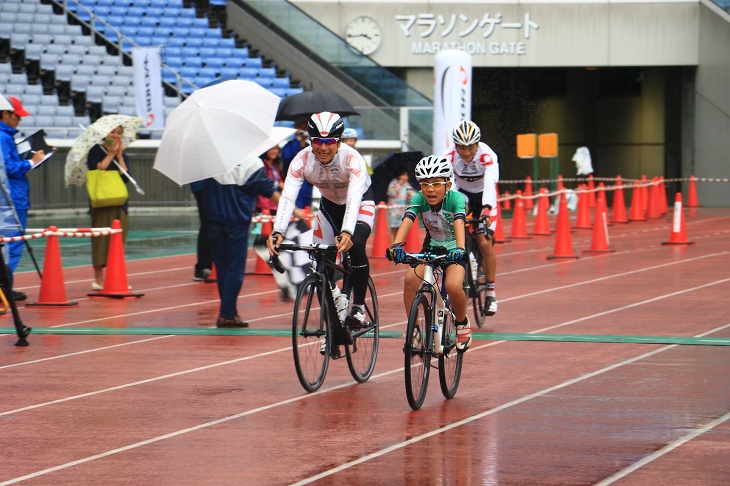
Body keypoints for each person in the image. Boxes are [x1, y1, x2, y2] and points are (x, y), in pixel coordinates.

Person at [267, 111, 375, 328]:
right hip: (329, 207)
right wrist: (277, 231)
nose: (323, 147)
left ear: (339, 141)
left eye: (329, 141)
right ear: (310, 140)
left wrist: (347, 232)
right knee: (321, 265)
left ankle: (359, 307)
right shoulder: (302, 160)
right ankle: (334, 322)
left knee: (357, 245)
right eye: (317, 141)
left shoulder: (353, 158)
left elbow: (354, 198)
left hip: (360, 203)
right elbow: (288, 197)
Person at [386, 155, 472, 351]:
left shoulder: (456, 199)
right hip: (431, 246)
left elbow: (459, 222)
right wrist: (396, 246)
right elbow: (407, 219)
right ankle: (414, 329)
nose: (430, 189)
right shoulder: (418, 199)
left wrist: (459, 249)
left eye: (436, 184)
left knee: (452, 285)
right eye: (425, 184)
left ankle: (462, 323)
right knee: (410, 280)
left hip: (454, 246)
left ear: (448, 185)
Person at [204, 154, 281, 328]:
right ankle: (227, 314)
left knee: (222, 268)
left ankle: (229, 312)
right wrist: (289, 207)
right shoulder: (251, 161)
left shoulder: (212, 159)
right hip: (236, 221)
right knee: (235, 270)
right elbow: (266, 188)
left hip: (214, 219)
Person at [443, 120, 499, 316]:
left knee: (484, 241)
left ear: (477, 144)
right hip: (464, 194)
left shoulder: (487, 155)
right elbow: (449, 186)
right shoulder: (448, 156)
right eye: (462, 148)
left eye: (470, 147)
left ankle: (491, 292)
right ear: (455, 146)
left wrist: (486, 209)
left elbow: (490, 183)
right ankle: (467, 254)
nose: (466, 153)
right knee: (455, 219)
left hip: (484, 195)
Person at [0, 96, 47, 301]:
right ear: (5, 114)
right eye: (16, 115)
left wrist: (34, 159)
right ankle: (4, 288)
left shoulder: (6, 136)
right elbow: (8, 168)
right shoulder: (2, 137)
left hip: (12, 196)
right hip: (11, 199)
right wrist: (31, 162)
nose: (19, 120)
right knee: (12, 244)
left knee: (9, 244)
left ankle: (5, 288)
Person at [86, 124, 131, 290]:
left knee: (119, 240)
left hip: (120, 202)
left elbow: (126, 177)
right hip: (102, 202)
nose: (117, 135)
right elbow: (97, 169)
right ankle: (98, 279)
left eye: (119, 133)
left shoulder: (123, 155)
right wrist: (111, 154)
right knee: (101, 240)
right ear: (105, 134)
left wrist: (119, 157)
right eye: (113, 131)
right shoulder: (95, 151)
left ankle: (116, 276)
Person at [281, 118, 314, 210]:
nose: (303, 131)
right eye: (301, 128)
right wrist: (297, 141)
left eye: (305, 128)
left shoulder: (310, 147)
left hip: (307, 188)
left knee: (306, 216)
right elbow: (288, 159)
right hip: (294, 186)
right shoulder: (289, 145)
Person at [190, 180, 213, 281]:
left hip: (206, 187)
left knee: (209, 226)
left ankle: (206, 265)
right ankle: (203, 267)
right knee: (208, 226)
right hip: (205, 187)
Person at [386, 168, 415, 244]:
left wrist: (411, 195)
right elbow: (391, 193)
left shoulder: (406, 185)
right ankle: (392, 247)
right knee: (394, 229)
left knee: (401, 229)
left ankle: (398, 246)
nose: (406, 177)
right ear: (399, 176)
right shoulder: (394, 183)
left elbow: (413, 195)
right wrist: (399, 184)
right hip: (394, 211)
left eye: (407, 175)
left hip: (402, 210)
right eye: (404, 175)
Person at [257, 145, 284, 215]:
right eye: (271, 149)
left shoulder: (275, 164)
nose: (274, 151)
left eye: (276, 149)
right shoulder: (261, 164)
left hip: (275, 203)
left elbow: (279, 180)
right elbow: (262, 185)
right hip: (265, 204)